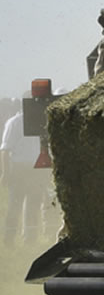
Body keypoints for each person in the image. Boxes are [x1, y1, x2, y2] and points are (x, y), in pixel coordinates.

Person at [1, 97, 51, 247]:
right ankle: (12, 238)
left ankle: (28, 238)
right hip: (24, 168)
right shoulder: (17, 121)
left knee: (29, 204)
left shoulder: (15, 122)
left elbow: (5, 150)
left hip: (30, 168)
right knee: (18, 204)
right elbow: (4, 150)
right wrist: (5, 172)